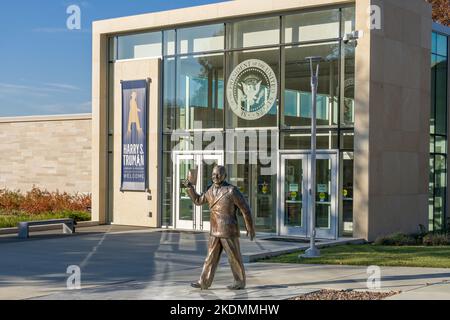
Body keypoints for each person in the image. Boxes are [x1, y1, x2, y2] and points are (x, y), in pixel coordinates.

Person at [183, 165, 255, 290]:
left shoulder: (231, 190)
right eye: (213, 174)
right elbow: (198, 200)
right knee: (210, 257)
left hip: (228, 230)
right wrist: (190, 187)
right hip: (215, 230)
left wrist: (250, 226)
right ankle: (204, 281)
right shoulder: (210, 190)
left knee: (234, 257)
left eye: (218, 174)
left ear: (224, 176)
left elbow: (245, 209)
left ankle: (239, 282)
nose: (215, 176)